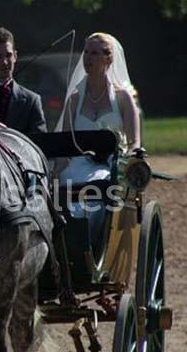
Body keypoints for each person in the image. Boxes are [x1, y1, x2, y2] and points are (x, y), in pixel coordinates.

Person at [54, 33, 142, 243]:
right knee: (59, 193)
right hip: (75, 166)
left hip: (109, 167)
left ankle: (88, 245)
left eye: (94, 53)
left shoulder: (122, 98)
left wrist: (125, 163)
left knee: (97, 193)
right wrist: (53, 172)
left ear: (108, 59)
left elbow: (134, 142)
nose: (87, 58)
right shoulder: (74, 100)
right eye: (85, 52)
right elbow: (66, 144)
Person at [0, 27, 47, 134]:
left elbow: (40, 144)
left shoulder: (31, 101)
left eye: (8, 55)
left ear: (15, 56)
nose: (5, 62)